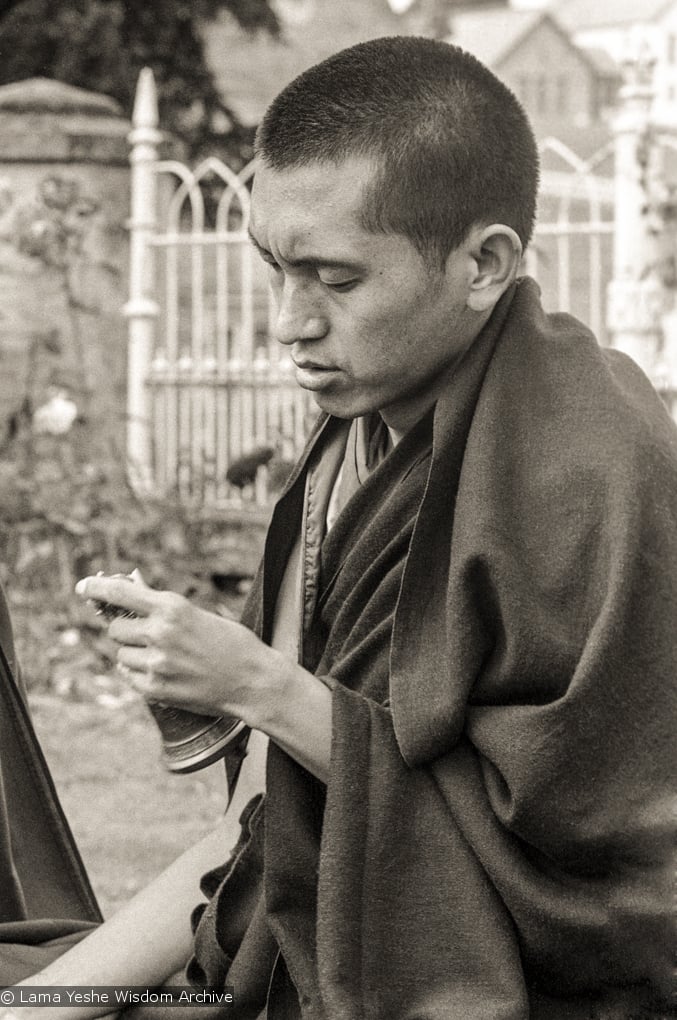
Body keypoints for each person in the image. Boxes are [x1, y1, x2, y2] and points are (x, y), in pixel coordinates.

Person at [1, 34, 675, 1020]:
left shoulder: (592, 474)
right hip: (284, 956)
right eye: (274, 267)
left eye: (336, 280)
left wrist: (255, 685)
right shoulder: (344, 452)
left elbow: (604, 900)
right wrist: (53, 1002)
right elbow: (262, 822)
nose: (287, 323)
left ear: (484, 263)